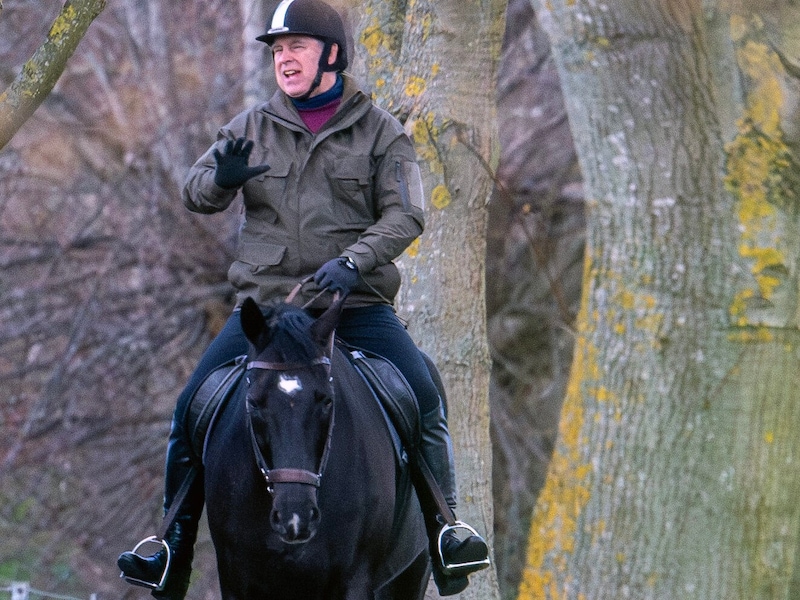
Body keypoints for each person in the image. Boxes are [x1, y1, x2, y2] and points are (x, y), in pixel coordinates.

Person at [117, 0, 488, 597]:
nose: (283, 59)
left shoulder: (380, 131)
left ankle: (448, 533)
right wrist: (222, 179)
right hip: (265, 313)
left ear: (332, 55)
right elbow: (195, 192)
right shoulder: (248, 127)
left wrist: (354, 261)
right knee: (191, 406)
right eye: (277, 50)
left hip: (354, 307)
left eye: (296, 47)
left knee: (422, 391)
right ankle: (169, 549)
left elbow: (407, 214)